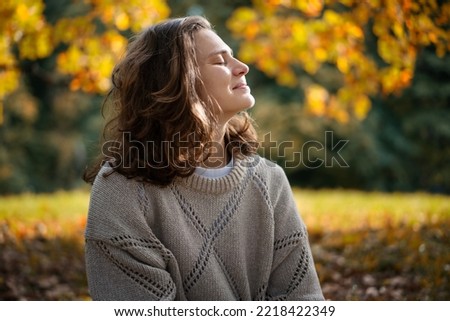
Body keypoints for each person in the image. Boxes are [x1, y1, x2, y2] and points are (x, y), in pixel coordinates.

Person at [83, 15, 324, 301]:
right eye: (220, 61)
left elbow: (303, 301)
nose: (242, 67)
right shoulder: (121, 189)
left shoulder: (270, 181)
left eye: (232, 57)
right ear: (178, 83)